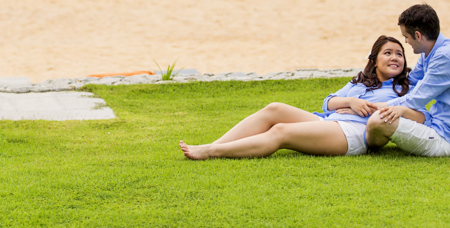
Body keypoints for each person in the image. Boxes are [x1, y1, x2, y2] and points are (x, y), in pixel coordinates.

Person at [179, 35, 423, 160]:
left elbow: (418, 116)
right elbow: (328, 102)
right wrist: (351, 102)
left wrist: (369, 108)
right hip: (328, 122)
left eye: (399, 54)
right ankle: (217, 143)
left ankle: (212, 152)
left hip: (353, 135)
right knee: (273, 109)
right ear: (374, 60)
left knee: (281, 131)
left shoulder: (405, 87)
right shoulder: (361, 82)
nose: (395, 58)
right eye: (388, 53)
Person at [366, 3, 450, 157]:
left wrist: (371, 106)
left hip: (449, 140)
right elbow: (409, 84)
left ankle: (357, 140)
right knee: (381, 114)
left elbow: (416, 99)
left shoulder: (445, 57)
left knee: (379, 120)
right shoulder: (430, 51)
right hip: (436, 124)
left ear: (418, 36)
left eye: (406, 37)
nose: (406, 42)